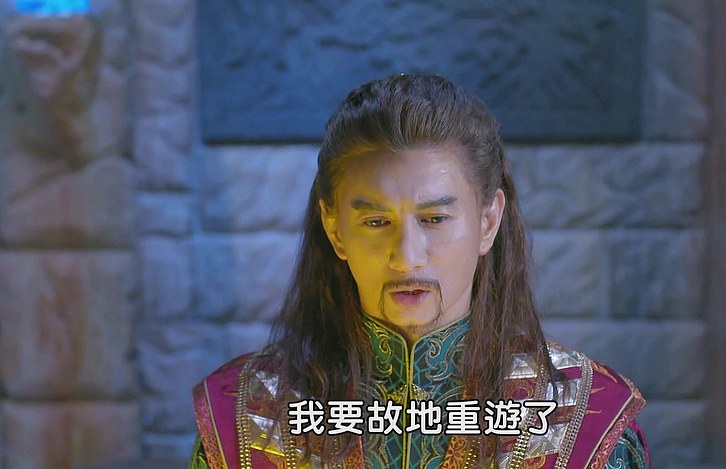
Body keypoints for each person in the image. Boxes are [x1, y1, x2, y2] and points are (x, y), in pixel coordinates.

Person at [190, 74, 650, 469]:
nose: (407, 258)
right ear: (335, 229)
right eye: (376, 222)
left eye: (434, 219)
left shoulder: (583, 422)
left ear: (488, 221)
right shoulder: (248, 417)